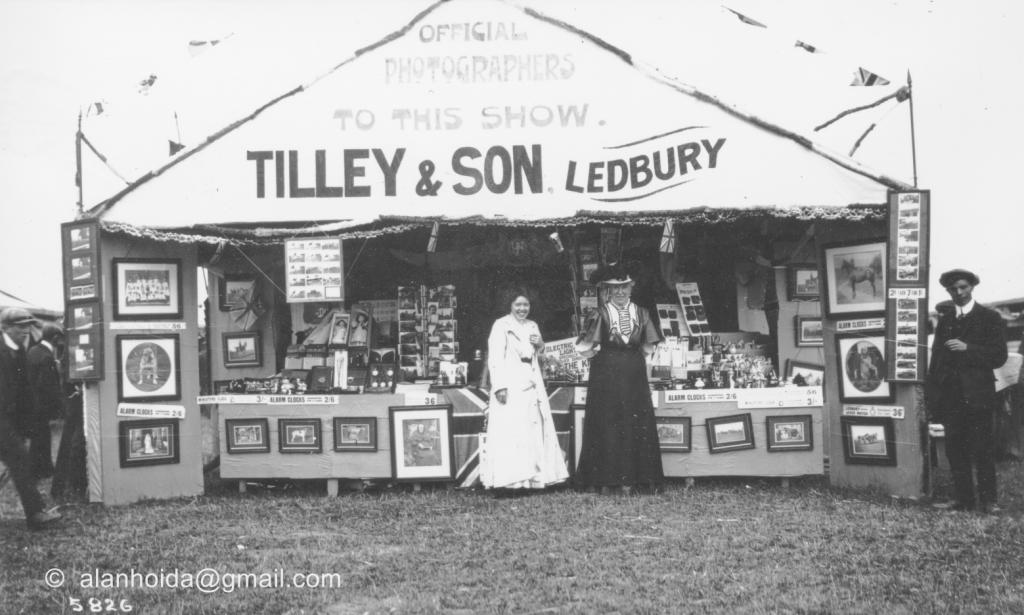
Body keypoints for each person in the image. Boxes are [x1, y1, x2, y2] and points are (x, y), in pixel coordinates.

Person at [575, 264, 664, 493]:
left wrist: (638, 364)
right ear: (608, 291)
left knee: (636, 422)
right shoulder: (600, 313)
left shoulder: (642, 313)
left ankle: (638, 479)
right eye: (616, 289)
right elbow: (584, 347)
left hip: (634, 372)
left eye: (625, 287)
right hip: (606, 372)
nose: (621, 293)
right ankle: (606, 480)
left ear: (631, 288)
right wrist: (602, 357)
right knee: (608, 420)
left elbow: (647, 347)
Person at [928, 269, 1008, 514]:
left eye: (963, 287)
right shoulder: (946, 320)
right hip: (952, 397)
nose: (959, 293)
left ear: (972, 286)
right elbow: (937, 360)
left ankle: (988, 501)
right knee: (955, 449)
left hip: (978, 396)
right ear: (948, 291)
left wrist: (967, 348)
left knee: (982, 449)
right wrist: (935, 395)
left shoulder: (989, 317)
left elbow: (999, 356)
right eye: (953, 289)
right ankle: (964, 500)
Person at [479, 287, 568, 492]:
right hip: (510, 381)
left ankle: (533, 480)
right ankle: (511, 482)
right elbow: (494, 357)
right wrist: (499, 386)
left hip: (532, 379)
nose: (522, 308)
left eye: (526, 305)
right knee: (512, 431)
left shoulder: (532, 325)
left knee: (533, 428)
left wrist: (541, 345)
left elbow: (540, 356)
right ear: (510, 305)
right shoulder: (501, 325)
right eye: (518, 304)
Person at [0, 307, 61, 530]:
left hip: (8, 421)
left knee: (19, 463)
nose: (25, 330)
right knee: (20, 462)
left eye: (27, 325)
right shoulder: (4, 351)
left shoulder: (19, 352)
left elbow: (24, 393)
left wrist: (27, 425)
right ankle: (35, 514)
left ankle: (36, 513)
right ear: (5, 328)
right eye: (19, 326)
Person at [27, 322, 65, 479]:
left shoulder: (33, 351)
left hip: (31, 403)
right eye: (59, 339)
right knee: (42, 437)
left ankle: (38, 469)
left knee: (38, 438)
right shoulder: (47, 357)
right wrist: (59, 406)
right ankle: (43, 470)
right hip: (42, 405)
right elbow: (48, 386)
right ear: (55, 338)